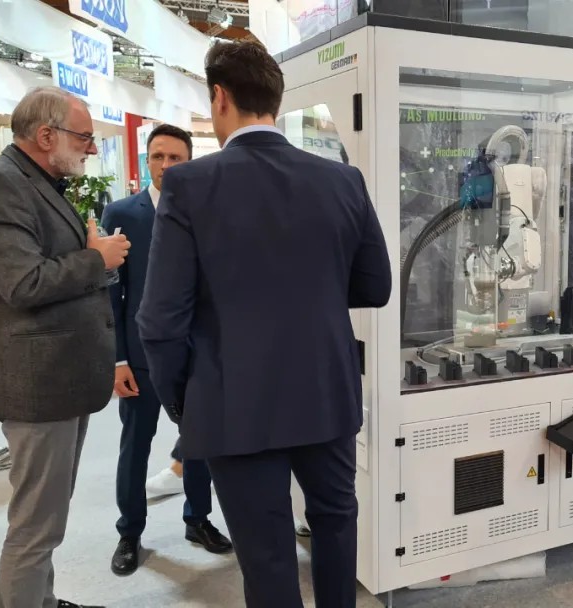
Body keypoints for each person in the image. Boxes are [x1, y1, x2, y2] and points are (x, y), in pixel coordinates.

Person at [137, 40, 391, 608]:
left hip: (233, 398)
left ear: (219, 98)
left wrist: (184, 399)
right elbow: (376, 287)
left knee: (267, 551)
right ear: (276, 100)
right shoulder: (342, 179)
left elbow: (160, 320)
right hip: (326, 389)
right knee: (335, 525)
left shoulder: (189, 185)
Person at [0, 86, 130, 608]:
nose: (91, 148)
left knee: (47, 516)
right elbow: (23, 283)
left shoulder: (35, 182)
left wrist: (91, 255)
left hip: (59, 375)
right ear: (46, 134)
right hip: (37, 382)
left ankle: (42, 601)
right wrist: (97, 259)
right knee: (35, 525)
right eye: (84, 137)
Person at [102, 123, 232, 577]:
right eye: (158, 156)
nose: (166, 165)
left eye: (175, 157)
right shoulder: (122, 213)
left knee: (198, 443)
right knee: (135, 445)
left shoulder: (208, 211)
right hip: (139, 356)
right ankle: (130, 532)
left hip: (195, 355)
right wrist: (118, 359)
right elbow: (111, 294)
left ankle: (198, 520)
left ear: (189, 162)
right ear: (147, 161)